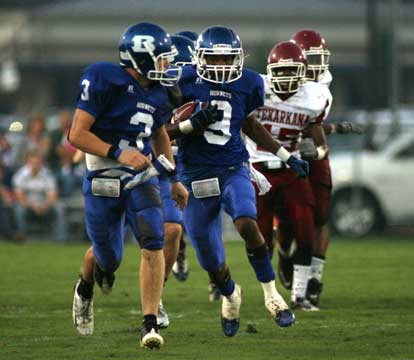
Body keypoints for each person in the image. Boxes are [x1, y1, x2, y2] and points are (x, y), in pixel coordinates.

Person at [167, 26, 309, 336]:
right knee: (209, 258)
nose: (220, 67)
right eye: (214, 60)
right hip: (194, 178)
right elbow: (160, 133)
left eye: (227, 59)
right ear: (199, 58)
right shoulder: (183, 82)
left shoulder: (248, 83)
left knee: (247, 222)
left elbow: (251, 125)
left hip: (233, 168)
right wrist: (190, 125)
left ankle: (272, 295)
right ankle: (231, 294)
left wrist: (286, 156)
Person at [69, 22, 189, 349]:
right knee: (108, 258)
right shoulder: (103, 78)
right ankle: (85, 286)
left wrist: (174, 178)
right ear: (140, 58)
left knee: (153, 240)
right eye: (162, 59)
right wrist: (119, 153)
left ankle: (149, 323)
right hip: (103, 176)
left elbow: (159, 133)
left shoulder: (160, 91)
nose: (167, 66)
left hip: (142, 177)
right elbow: (76, 134)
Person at [245, 41, 331, 310]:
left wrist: (315, 154)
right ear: (270, 72)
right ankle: (269, 293)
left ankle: (300, 294)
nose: (285, 78)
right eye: (280, 72)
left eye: (291, 71)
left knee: (305, 227)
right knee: (260, 237)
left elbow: (321, 144)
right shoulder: (255, 89)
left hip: (292, 169)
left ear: (303, 72)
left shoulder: (313, 96)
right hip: (258, 169)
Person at [291, 29, 362, 308]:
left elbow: (315, 125)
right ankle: (287, 256)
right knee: (292, 219)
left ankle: (314, 279)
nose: (315, 64)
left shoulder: (324, 85)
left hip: (316, 156)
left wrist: (326, 135)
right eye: (309, 58)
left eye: (318, 58)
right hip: (289, 154)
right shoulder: (282, 81)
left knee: (320, 216)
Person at [156, 34, 196, 328]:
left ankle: (156, 294)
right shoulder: (150, 89)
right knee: (110, 248)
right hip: (152, 162)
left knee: (173, 230)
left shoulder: (201, 89)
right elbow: (157, 133)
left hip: (188, 165)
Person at [12, 150, 67, 243]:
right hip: (28, 206)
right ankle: (21, 236)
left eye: (38, 162)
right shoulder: (20, 175)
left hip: (45, 206)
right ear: (28, 162)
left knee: (59, 207)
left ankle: (61, 239)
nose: (35, 164)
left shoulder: (48, 175)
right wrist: (33, 206)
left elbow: (52, 195)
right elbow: (20, 197)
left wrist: (45, 206)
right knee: (19, 209)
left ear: (41, 163)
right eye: (33, 162)